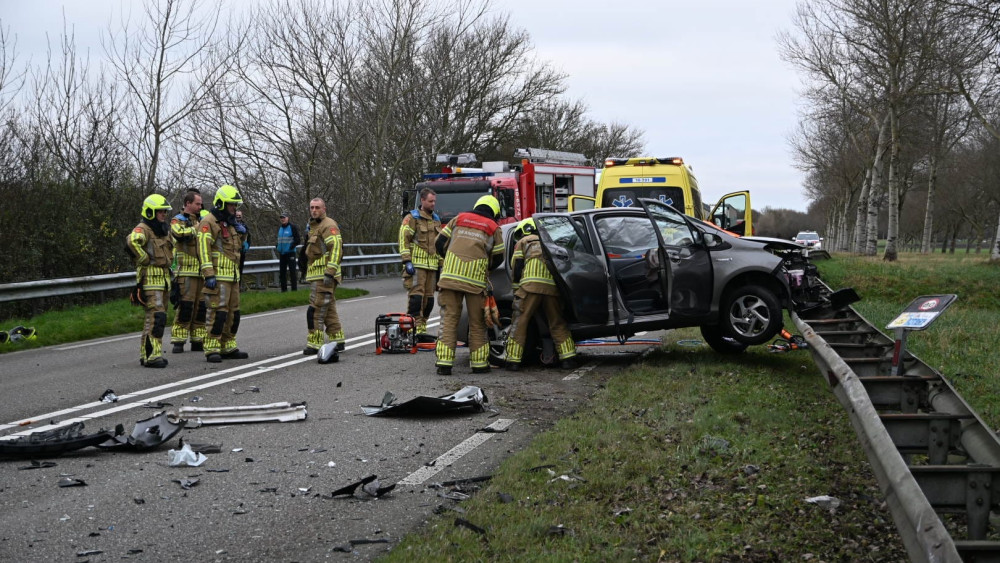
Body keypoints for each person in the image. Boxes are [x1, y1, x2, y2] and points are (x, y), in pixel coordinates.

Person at [433, 195, 504, 375]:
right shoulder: (494, 227)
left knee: (449, 319)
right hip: (475, 281)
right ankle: (479, 365)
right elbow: (498, 257)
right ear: (494, 211)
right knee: (477, 322)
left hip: (450, 277)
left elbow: (439, 243)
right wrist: (485, 266)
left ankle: (444, 364)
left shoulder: (459, 218)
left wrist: (449, 260)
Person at [504, 218, 577, 371]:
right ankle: (568, 359)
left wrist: (517, 290)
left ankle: (513, 361)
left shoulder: (524, 242)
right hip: (551, 289)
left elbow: (517, 267)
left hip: (529, 287)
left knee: (520, 322)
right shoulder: (551, 242)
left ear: (524, 230)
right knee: (557, 322)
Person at [197, 184, 250, 363]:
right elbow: (203, 250)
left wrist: (242, 233)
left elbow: (236, 248)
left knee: (233, 314)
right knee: (217, 313)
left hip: (233, 276)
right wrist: (208, 274)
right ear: (221, 203)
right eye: (231, 205)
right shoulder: (209, 222)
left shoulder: (230, 222)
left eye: (236, 205)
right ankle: (212, 347)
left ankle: (228, 345)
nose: (234, 209)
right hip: (218, 277)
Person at [127, 194, 174, 368]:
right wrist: (144, 259)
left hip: (164, 279)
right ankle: (151, 356)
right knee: (156, 317)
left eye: (164, 211)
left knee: (157, 318)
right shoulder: (143, 228)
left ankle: (148, 354)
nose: (163, 214)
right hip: (151, 279)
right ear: (150, 212)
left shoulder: (162, 229)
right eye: (160, 211)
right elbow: (131, 243)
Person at [398, 188, 442, 342]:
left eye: (434, 201)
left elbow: (439, 244)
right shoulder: (412, 218)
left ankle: (422, 326)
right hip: (416, 265)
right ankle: (413, 326)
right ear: (422, 201)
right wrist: (406, 260)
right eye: (430, 201)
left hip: (432, 266)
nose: (433, 204)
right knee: (416, 298)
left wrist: (441, 264)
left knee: (429, 300)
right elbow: (404, 240)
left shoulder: (436, 219)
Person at [302, 198, 345, 355]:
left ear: (324, 208)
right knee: (329, 309)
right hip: (318, 275)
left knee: (316, 310)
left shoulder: (328, 225)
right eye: (312, 207)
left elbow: (336, 249)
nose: (314, 210)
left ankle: (315, 342)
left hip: (324, 276)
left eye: (317, 207)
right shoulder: (314, 226)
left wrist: (330, 272)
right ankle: (337, 339)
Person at [169, 190, 207, 353]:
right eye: (197, 204)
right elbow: (178, 234)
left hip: (201, 272)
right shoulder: (178, 220)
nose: (200, 206)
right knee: (186, 306)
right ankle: (179, 341)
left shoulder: (201, 219)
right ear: (188, 204)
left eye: (200, 204)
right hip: (185, 272)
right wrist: (196, 229)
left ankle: (198, 340)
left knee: (201, 308)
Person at [276, 211, 301, 292]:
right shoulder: (280, 228)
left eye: (284, 217)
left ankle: (294, 290)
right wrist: (277, 246)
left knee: (292, 272)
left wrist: (291, 246)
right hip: (282, 253)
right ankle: (284, 290)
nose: (282, 219)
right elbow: (279, 240)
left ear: (287, 218)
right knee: (282, 273)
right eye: (281, 218)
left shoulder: (292, 227)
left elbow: (298, 240)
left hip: (290, 253)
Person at [234, 209, 250, 281]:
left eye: (239, 216)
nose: (238, 217)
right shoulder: (231, 225)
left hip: (242, 251)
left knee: (240, 270)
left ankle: (239, 287)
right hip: (234, 251)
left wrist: (247, 246)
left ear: (242, 216)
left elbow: (249, 237)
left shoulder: (245, 226)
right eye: (237, 215)